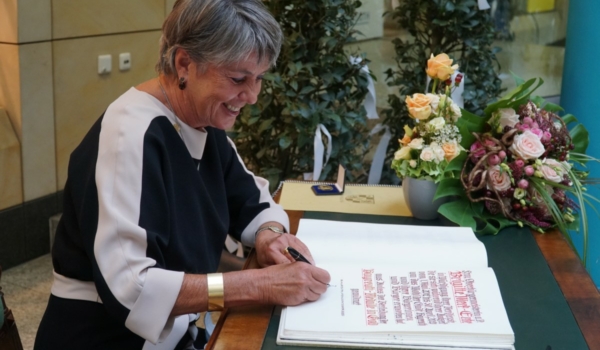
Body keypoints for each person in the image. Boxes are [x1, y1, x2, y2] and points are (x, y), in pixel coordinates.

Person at [34, 0, 331, 349]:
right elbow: (134, 288)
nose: (251, 96)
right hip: (103, 338)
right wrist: (256, 285)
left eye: (259, 79)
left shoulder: (200, 121)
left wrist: (270, 235)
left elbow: (253, 200)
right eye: (238, 79)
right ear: (185, 64)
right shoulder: (130, 134)